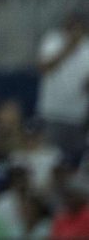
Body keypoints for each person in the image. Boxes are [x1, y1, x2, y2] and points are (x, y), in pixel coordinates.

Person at [35, 12, 89, 163]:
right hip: (52, 113)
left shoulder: (87, 47)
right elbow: (43, 67)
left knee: (72, 162)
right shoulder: (53, 40)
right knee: (50, 159)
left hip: (77, 116)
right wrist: (69, 48)